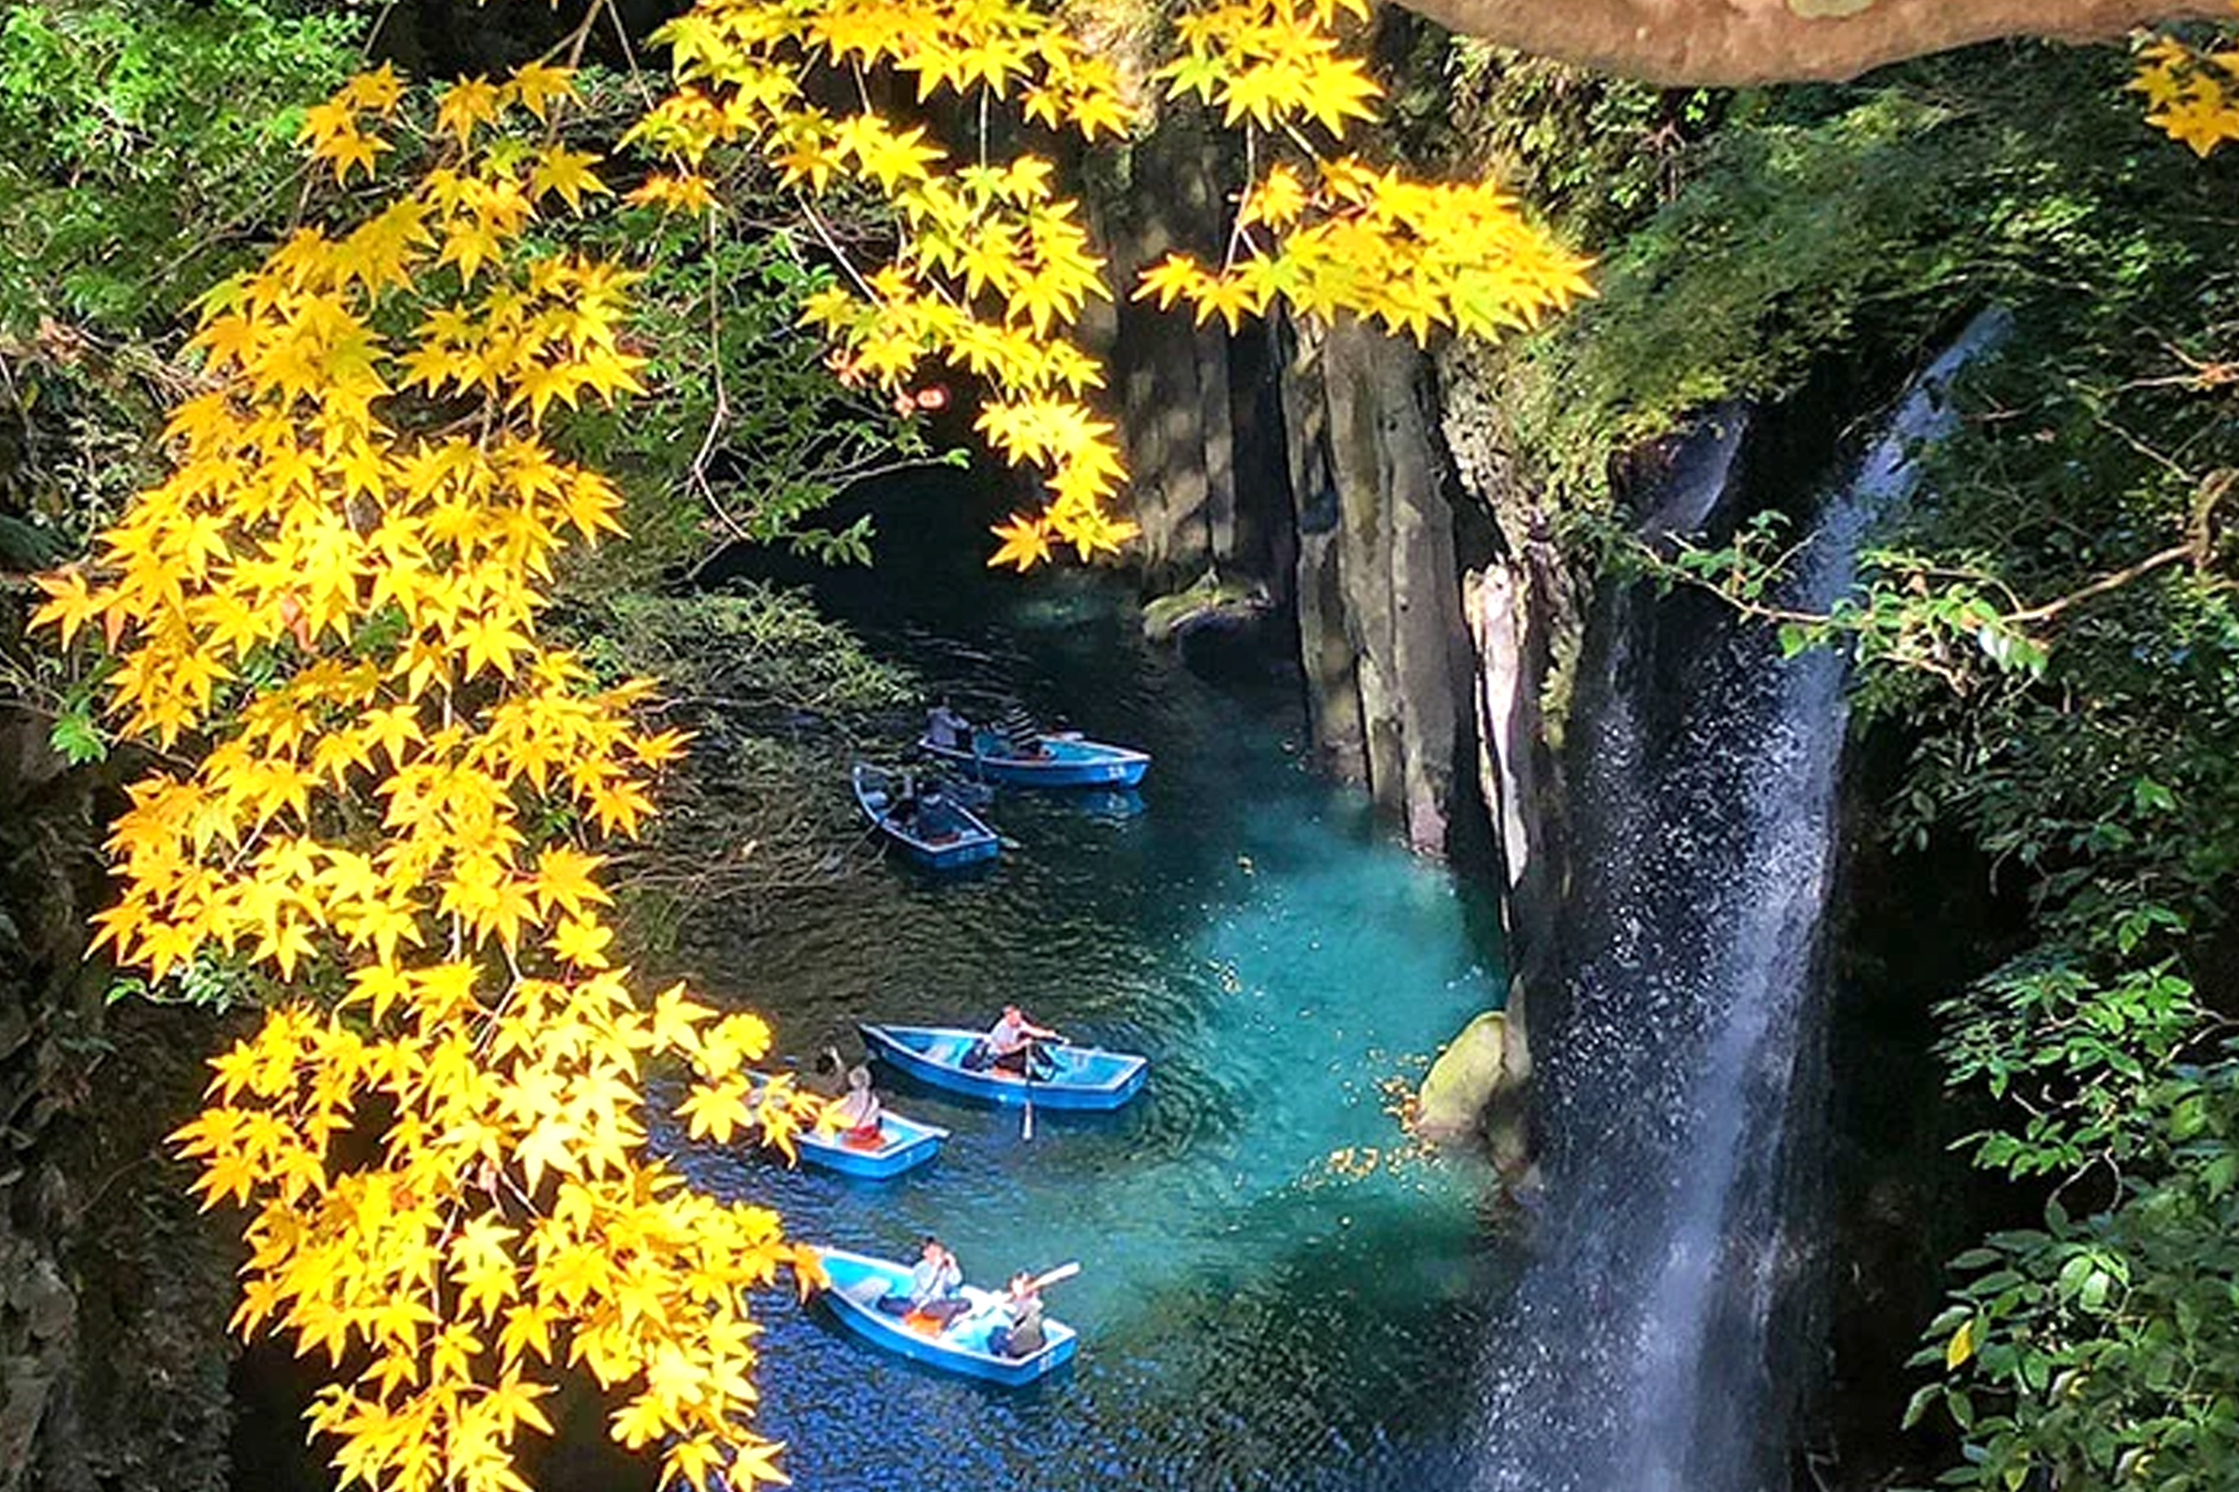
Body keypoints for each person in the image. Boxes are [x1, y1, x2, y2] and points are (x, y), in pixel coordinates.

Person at [878, 1237, 968, 1324]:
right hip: (920, 1303)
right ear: (925, 1253)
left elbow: (956, 1281)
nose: (938, 1255)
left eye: (939, 1253)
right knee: (889, 1305)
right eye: (933, 1252)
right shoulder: (921, 1267)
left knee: (966, 1303)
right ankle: (884, 1302)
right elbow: (925, 1287)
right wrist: (935, 1269)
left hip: (938, 1302)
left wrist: (953, 1266)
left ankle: (945, 1317)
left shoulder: (944, 1268)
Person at [974, 1004, 1059, 1078]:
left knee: (1035, 1047)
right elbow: (1004, 1050)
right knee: (1020, 1061)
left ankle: (1046, 1066)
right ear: (1008, 1017)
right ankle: (1002, 1072)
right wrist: (1022, 1044)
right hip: (998, 1055)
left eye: (1019, 1016)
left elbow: (1032, 1030)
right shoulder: (1002, 1029)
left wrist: (1047, 1033)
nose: (1019, 1020)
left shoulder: (1018, 1023)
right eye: (1016, 1017)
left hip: (1013, 1049)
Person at [989, 1271, 1047, 1359]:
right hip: (1037, 1342)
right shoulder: (1034, 1301)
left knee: (996, 1333)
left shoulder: (1026, 1305)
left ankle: (1003, 1357)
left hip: (1020, 1347)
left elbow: (1016, 1315)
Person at [828, 1063, 882, 1144]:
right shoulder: (875, 1099)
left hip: (855, 1135)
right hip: (870, 1132)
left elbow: (845, 1115)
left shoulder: (851, 1097)